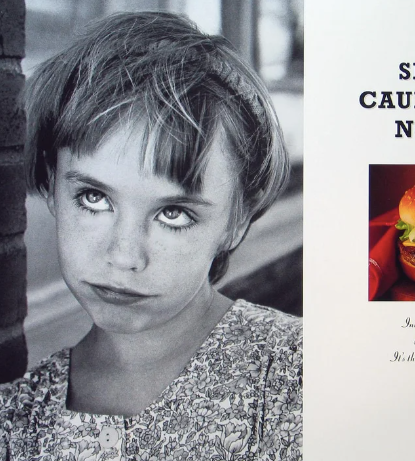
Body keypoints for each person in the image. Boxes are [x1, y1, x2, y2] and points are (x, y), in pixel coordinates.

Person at [0, 11, 302, 461]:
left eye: (174, 213)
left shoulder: (302, 381)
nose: (124, 257)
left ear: (237, 220)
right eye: (94, 198)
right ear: (51, 185)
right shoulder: (16, 422)